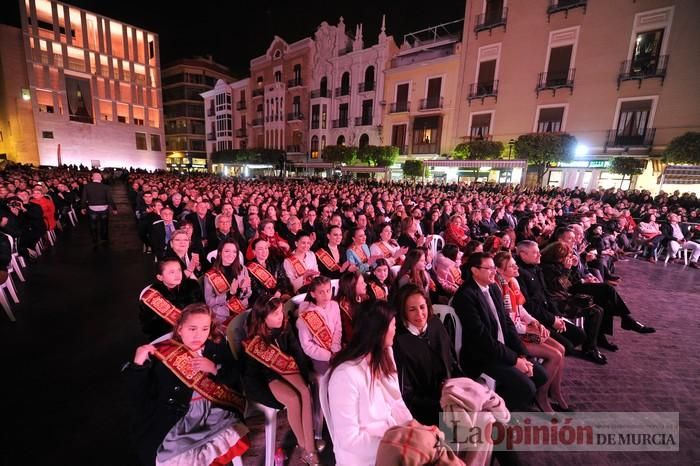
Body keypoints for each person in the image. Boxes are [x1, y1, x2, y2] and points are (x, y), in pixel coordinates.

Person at [125, 303, 249, 466]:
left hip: (214, 412)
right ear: (180, 329)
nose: (199, 335)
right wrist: (138, 365)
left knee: (228, 434)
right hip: (179, 419)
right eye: (192, 329)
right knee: (176, 455)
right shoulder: (164, 354)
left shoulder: (216, 347)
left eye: (205, 329)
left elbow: (235, 375)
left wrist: (214, 368)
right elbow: (138, 394)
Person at [452, 252, 548, 411]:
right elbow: (482, 339)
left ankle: (510, 406)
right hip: (482, 355)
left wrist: (522, 354)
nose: (494, 272)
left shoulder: (493, 288)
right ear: (475, 270)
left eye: (494, 268)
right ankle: (499, 415)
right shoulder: (465, 296)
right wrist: (515, 361)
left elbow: (508, 323)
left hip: (502, 349)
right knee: (527, 387)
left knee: (541, 375)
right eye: (488, 268)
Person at [327, 301, 413, 466]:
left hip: (396, 440)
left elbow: (396, 402)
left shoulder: (385, 354)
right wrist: (398, 447)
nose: (396, 329)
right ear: (379, 331)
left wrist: (413, 429)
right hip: (369, 457)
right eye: (393, 325)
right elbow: (349, 439)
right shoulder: (345, 376)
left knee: (462, 432)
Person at [242, 296, 319, 465]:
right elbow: (254, 375)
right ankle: (304, 446)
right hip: (267, 377)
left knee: (305, 392)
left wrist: (305, 375)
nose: (281, 317)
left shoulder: (285, 326)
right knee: (293, 399)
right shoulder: (254, 340)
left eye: (281, 312)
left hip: (287, 367)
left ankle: (310, 447)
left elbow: (296, 351)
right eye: (275, 314)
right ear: (263, 317)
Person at [494, 251, 569, 413]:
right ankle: (541, 396)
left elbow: (520, 308)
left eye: (515, 264)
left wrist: (534, 322)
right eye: (511, 266)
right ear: (499, 270)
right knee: (554, 354)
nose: (516, 267)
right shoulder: (498, 288)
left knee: (561, 349)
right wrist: (528, 328)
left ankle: (554, 392)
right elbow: (509, 322)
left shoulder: (513, 282)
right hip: (513, 335)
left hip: (522, 327)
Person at [393, 285, 462, 426]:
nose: (420, 314)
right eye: (412, 310)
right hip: (425, 409)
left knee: (486, 415)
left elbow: (452, 363)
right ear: (403, 312)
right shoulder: (399, 342)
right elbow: (407, 394)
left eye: (422, 307)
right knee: (468, 430)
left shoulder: (435, 324)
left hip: (451, 394)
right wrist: (441, 405)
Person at [514, 240, 588, 357]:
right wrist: (552, 320)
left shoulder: (536, 267)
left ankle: (589, 348)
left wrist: (557, 316)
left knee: (580, 334)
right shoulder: (543, 269)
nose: (540, 255)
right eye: (535, 253)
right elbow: (562, 287)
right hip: (539, 315)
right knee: (567, 346)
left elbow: (548, 293)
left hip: (551, 307)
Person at [538, 242, 607, 365]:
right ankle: (590, 348)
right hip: (555, 302)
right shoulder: (547, 267)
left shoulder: (558, 265)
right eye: (567, 256)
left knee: (599, 309)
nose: (569, 258)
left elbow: (569, 286)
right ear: (558, 256)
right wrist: (566, 270)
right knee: (594, 312)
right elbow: (559, 286)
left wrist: (573, 268)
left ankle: (592, 345)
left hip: (563, 297)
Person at [139, 258, 204, 341]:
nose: (178, 275)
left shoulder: (192, 286)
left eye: (179, 270)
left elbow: (203, 309)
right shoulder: (151, 296)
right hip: (167, 337)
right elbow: (147, 328)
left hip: (195, 331)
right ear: (160, 277)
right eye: (172, 272)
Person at [297, 276, 343, 375]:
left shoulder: (334, 305)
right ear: (313, 294)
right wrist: (328, 355)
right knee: (333, 375)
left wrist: (336, 348)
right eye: (321, 292)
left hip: (336, 349)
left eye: (328, 291)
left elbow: (338, 328)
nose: (326, 295)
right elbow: (307, 346)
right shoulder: (305, 316)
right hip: (319, 357)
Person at [203, 240, 252, 326]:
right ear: (219, 253)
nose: (231, 255)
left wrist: (243, 290)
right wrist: (229, 294)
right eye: (227, 251)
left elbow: (248, 294)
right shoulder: (210, 275)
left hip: (241, 311)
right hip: (222, 316)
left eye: (234, 252)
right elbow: (209, 302)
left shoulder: (242, 269)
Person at [246, 238, 293, 304]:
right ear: (254, 252)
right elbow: (256, 290)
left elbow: (283, 279)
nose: (264, 251)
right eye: (260, 249)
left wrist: (279, 291)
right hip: (263, 301)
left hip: (279, 295)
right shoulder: (249, 268)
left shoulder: (275, 261)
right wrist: (272, 297)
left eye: (266, 248)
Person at [80, 171, 117, 244]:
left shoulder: (87, 186)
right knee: (104, 224)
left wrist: (83, 208)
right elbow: (109, 198)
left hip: (92, 208)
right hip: (103, 208)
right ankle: (104, 239)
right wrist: (114, 208)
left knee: (93, 225)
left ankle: (94, 239)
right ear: (101, 178)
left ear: (92, 178)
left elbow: (83, 198)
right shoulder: (106, 187)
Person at [335, 270, 368, 347]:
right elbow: (350, 334)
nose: (366, 284)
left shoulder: (364, 297)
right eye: (362, 283)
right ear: (352, 287)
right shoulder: (343, 307)